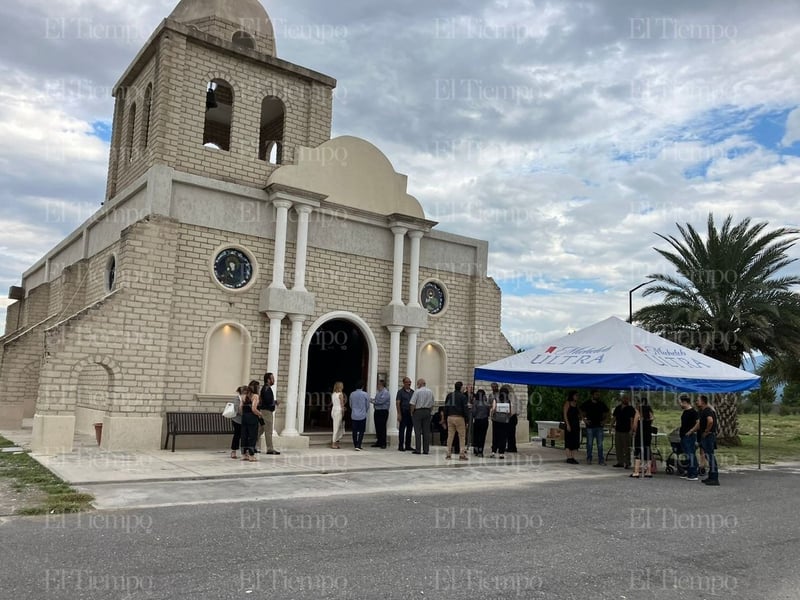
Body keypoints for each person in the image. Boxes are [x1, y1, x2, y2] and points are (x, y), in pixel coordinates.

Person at [581, 389, 609, 465]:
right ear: (592, 395)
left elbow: (607, 412)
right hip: (590, 426)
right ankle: (589, 459)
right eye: (596, 394)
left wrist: (604, 421)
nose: (598, 396)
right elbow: (580, 411)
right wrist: (584, 420)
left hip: (599, 426)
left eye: (598, 394)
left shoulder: (601, 403)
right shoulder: (587, 403)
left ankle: (601, 460)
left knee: (600, 444)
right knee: (589, 444)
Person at [696, 395, 719, 486]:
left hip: (708, 436)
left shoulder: (707, 411)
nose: (696, 402)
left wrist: (706, 431)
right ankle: (711, 476)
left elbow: (710, 421)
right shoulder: (704, 411)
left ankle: (714, 478)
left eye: (698, 400)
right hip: (707, 436)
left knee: (710, 457)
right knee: (708, 456)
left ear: (703, 402)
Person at [444, 381, 469, 461]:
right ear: (461, 387)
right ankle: (462, 454)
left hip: (450, 417)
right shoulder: (463, 397)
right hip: (459, 417)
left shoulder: (449, 395)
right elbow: (465, 409)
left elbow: (446, 407)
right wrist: (467, 419)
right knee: (462, 437)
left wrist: (445, 418)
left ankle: (448, 454)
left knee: (450, 436)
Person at [409, 378, 435, 454]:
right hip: (427, 411)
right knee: (426, 431)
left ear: (420, 384)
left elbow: (413, 403)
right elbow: (432, 403)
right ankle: (426, 450)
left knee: (418, 431)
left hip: (418, 411)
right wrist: (429, 411)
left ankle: (418, 449)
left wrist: (411, 412)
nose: (417, 385)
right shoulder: (430, 392)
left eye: (418, 384)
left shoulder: (417, 391)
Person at [257, 372, 280, 455]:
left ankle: (252, 446)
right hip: (266, 412)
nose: (274, 380)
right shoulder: (266, 389)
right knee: (268, 430)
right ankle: (270, 449)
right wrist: (274, 403)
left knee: (260, 430)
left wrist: (273, 402)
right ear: (268, 380)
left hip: (264, 411)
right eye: (272, 378)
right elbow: (267, 401)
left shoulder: (266, 388)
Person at [631, 397, 654, 477]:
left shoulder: (638, 412)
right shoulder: (650, 413)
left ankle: (636, 471)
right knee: (647, 450)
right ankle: (648, 471)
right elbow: (651, 422)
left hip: (640, 433)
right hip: (648, 433)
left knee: (638, 450)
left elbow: (635, 424)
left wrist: (634, 431)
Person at [240, 380, 263, 462]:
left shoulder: (244, 396)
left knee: (244, 436)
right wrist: (260, 414)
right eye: (259, 387)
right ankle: (251, 455)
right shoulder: (255, 396)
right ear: (256, 388)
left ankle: (243, 455)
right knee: (252, 436)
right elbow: (254, 409)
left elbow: (241, 407)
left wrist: (244, 415)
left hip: (244, 417)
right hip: (252, 418)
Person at [678, 394, 699, 481]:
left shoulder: (693, 412)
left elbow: (698, 423)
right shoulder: (685, 411)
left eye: (680, 403)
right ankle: (689, 472)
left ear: (685, 402)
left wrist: (691, 431)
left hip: (689, 436)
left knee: (690, 454)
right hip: (683, 436)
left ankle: (693, 473)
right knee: (688, 454)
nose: (680, 405)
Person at [611, 395, 636, 468]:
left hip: (626, 430)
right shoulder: (618, 408)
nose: (625, 400)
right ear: (621, 399)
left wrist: (631, 429)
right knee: (618, 447)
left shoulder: (630, 409)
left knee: (626, 447)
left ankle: (627, 462)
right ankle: (620, 462)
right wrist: (611, 426)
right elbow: (614, 418)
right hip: (618, 429)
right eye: (624, 398)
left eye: (627, 399)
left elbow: (632, 420)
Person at [490, 386, 511, 459]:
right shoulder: (508, 401)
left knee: (495, 436)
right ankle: (501, 453)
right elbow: (510, 412)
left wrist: (492, 416)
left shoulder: (496, 399)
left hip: (496, 420)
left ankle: (493, 451)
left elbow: (493, 409)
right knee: (503, 437)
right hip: (505, 421)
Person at [348, 380, 369, 451]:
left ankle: (355, 444)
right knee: (361, 431)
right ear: (362, 386)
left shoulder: (352, 394)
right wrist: (364, 411)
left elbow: (350, 405)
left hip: (354, 415)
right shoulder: (365, 394)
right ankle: (358, 444)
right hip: (362, 415)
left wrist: (354, 409)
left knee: (354, 431)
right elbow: (367, 405)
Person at [371, 378, 390, 448]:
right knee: (377, 426)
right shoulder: (378, 392)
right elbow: (376, 400)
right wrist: (372, 400)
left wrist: (373, 401)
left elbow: (381, 401)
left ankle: (383, 443)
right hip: (377, 411)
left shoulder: (385, 392)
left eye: (378, 384)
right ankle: (379, 441)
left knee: (382, 427)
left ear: (381, 385)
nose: (377, 386)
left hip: (383, 411)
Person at [471, 388, 491, 457]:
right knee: (482, 436)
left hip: (477, 420)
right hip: (484, 420)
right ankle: (480, 450)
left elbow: (473, 412)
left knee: (476, 435)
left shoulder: (475, 402)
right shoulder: (486, 403)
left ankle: (476, 449)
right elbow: (488, 413)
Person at [396, 377, 414, 451]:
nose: (409, 383)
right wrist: (399, 414)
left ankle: (408, 445)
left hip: (411, 413)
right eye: (407, 382)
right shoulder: (400, 392)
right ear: (404, 383)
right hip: (403, 412)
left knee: (409, 429)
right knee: (402, 429)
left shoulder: (413, 392)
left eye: (410, 382)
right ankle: (400, 445)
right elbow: (398, 403)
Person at [563, 391, 581, 464]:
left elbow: (579, 414)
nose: (577, 397)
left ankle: (573, 457)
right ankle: (569, 457)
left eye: (577, 395)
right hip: (569, 425)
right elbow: (565, 414)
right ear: (572, 396)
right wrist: (567, 424)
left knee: (575, 441)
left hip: (576, 425)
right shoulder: (567, 403)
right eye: (576, 395)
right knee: (568, 441)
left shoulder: (576, 404)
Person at [230, 385, 247, 459]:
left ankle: (244, 452)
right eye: (244, 392)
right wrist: (242, 402)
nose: (245, 394)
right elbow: (239, 411)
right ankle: (233, 451)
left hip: (245, 421)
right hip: (237, 421)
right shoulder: (237, 399)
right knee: (237, 435)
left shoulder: (248, 398)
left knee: (245, 437)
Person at [330, 381, 346, 449]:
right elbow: (342, 405)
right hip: (338, 411)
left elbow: (334, 403)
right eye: (342, 385)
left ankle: (335, 440)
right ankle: (333, 443)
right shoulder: (340, 394)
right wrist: (343, 412)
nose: (343, 386)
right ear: (340, 386)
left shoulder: (333, 394)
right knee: (336, 427)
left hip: (333, 410)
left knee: (336, 426)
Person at [505, 385, 520, 453]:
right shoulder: (515, 398)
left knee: (510, 434)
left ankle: (512, 448)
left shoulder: (511, 399)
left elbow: (511, 410)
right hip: (514, 417)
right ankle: (511, 447)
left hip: (511, 418)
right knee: (511, 434)